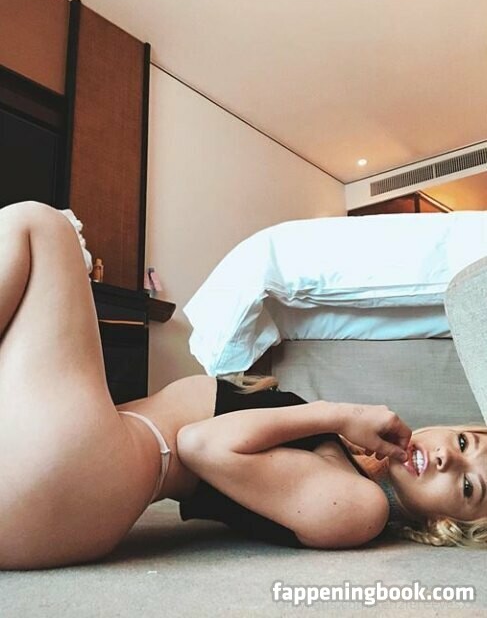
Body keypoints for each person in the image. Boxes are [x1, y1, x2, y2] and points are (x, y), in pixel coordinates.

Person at [0, 202, 486, 571]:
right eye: (465, 443)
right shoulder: (350, 462)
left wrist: (340, 412)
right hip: (65, 477)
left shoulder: (363, 509)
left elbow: (198, 442)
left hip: (79, 481)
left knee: (42, 227)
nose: (448, 458)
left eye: (468, 486)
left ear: (452, 526)